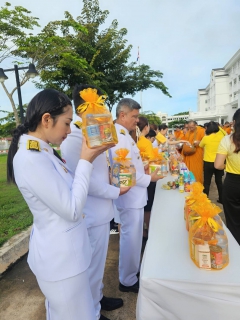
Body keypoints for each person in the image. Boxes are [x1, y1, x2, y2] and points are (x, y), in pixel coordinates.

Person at [7, 89, 112, 320]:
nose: (70, 129)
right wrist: (86, 160)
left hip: (68, 257)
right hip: (61, 261)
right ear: (46, 119)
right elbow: (73, 210)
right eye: (67, 123)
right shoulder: (30, 158)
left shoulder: (43, 151)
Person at [60, 84, 126, 320]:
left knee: (97, 267)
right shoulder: (74, 138)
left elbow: (101, 171)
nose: (99, 108)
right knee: (90, 268)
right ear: (82, 108)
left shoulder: (96, 132)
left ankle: (97, 298)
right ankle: (92, 312)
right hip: (91, 213)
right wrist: (115, 192)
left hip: (102, 213)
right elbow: (84, 181)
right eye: (95, 104)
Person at [110, 98, 163, 293]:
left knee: (133, 239)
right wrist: (150, 178)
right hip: (130, 196)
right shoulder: (119, 136)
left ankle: (131, 273)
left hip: (133, 195)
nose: (137, 120)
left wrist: (143, 169)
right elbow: (123, 171)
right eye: (134, 116)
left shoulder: (123, 134)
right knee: (131, 239)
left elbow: (131, 165)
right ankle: (128, 280)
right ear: (122, 115)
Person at [214, 109, 240, 245]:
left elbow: (218, 165)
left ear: (234, 123)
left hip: (233, 183)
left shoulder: (227, 140)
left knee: (233, 221)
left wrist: (228, 166)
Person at [136, 117, 156, 240]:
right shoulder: (145, 142)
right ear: (146, 127)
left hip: (136, 178)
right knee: (147, 207)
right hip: (147, 177)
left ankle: (141, 230)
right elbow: (150, 162)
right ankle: (148, 230)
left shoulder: (133, 140)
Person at [199, 121, 226, 203]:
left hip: (208, 162)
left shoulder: (206, 138)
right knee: (219, 181)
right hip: (219, 162)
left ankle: (206, 199)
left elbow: (200, 145)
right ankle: (221, 199)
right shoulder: (222, 138)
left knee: (207, 182)